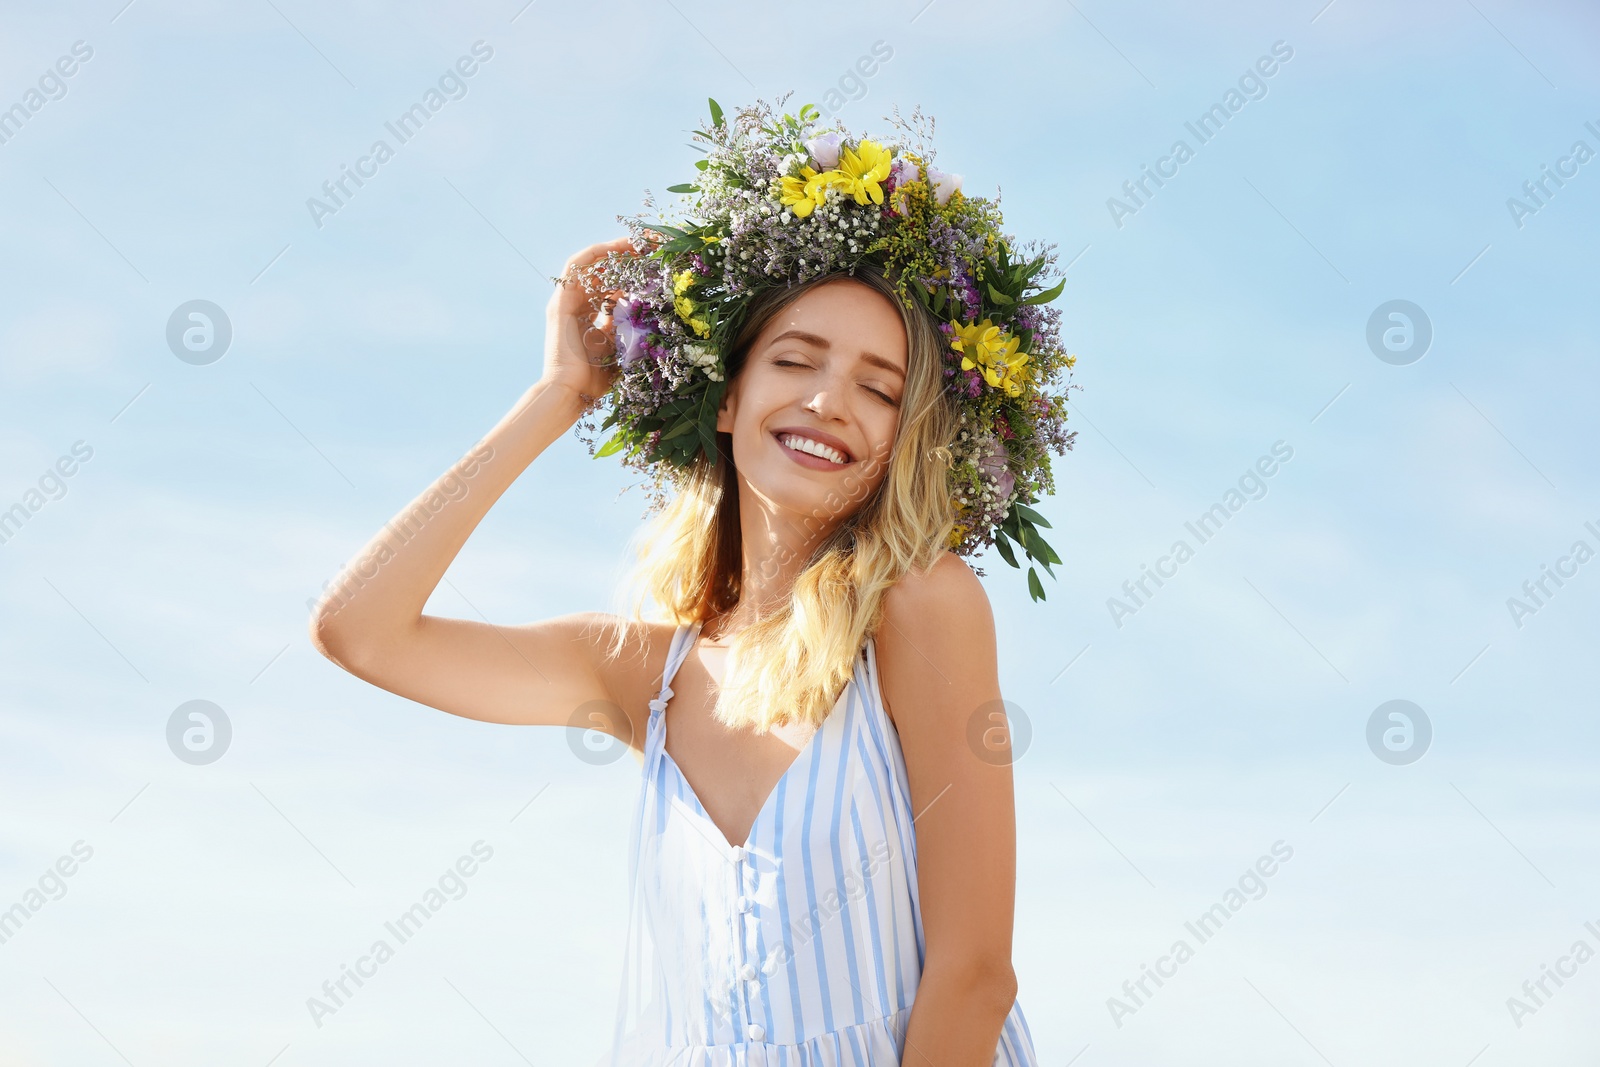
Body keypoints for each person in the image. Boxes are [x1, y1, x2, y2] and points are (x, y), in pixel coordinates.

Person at [312, 97, 1068, 1065]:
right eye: (794, 360)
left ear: (899, 438)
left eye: (879, 387)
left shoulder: (923, 606)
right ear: (727, 399)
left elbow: (973, 973)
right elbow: (359, 629)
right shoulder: (646, 676)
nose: (830, 400)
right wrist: (556, 398)